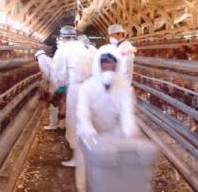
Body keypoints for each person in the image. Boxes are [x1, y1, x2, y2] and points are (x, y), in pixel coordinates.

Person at [75, 44, 139, 192]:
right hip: (89, 135)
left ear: (117, 66)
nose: (108, 68)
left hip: (113, 133)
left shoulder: (124, 87)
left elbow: (127, 112)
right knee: (88, 169)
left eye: (112, 65)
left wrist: (129, 133)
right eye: (105, 65)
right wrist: (92, 135)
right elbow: (83, 114)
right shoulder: (87, 87)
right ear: (98, 65)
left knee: (112, 170)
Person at [53, 25, 92, 167]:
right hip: (87, 87)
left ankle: (78, 158)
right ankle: (90, 152)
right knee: (86, 118)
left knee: (74, 121)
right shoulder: (82, 48)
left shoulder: (63, 49)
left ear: (62, 37)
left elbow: (59, 70)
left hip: (74, 87)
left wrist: (61, 87)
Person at [34, 50, 59, 130]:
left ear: (36, 57)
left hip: (54, 82)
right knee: (59, 102)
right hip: (58, 81)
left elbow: (45, 74)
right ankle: (61, 123)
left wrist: (43, 85)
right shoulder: (47, 58)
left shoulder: (41, 59)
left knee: (53, 103)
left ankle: (53, 125)